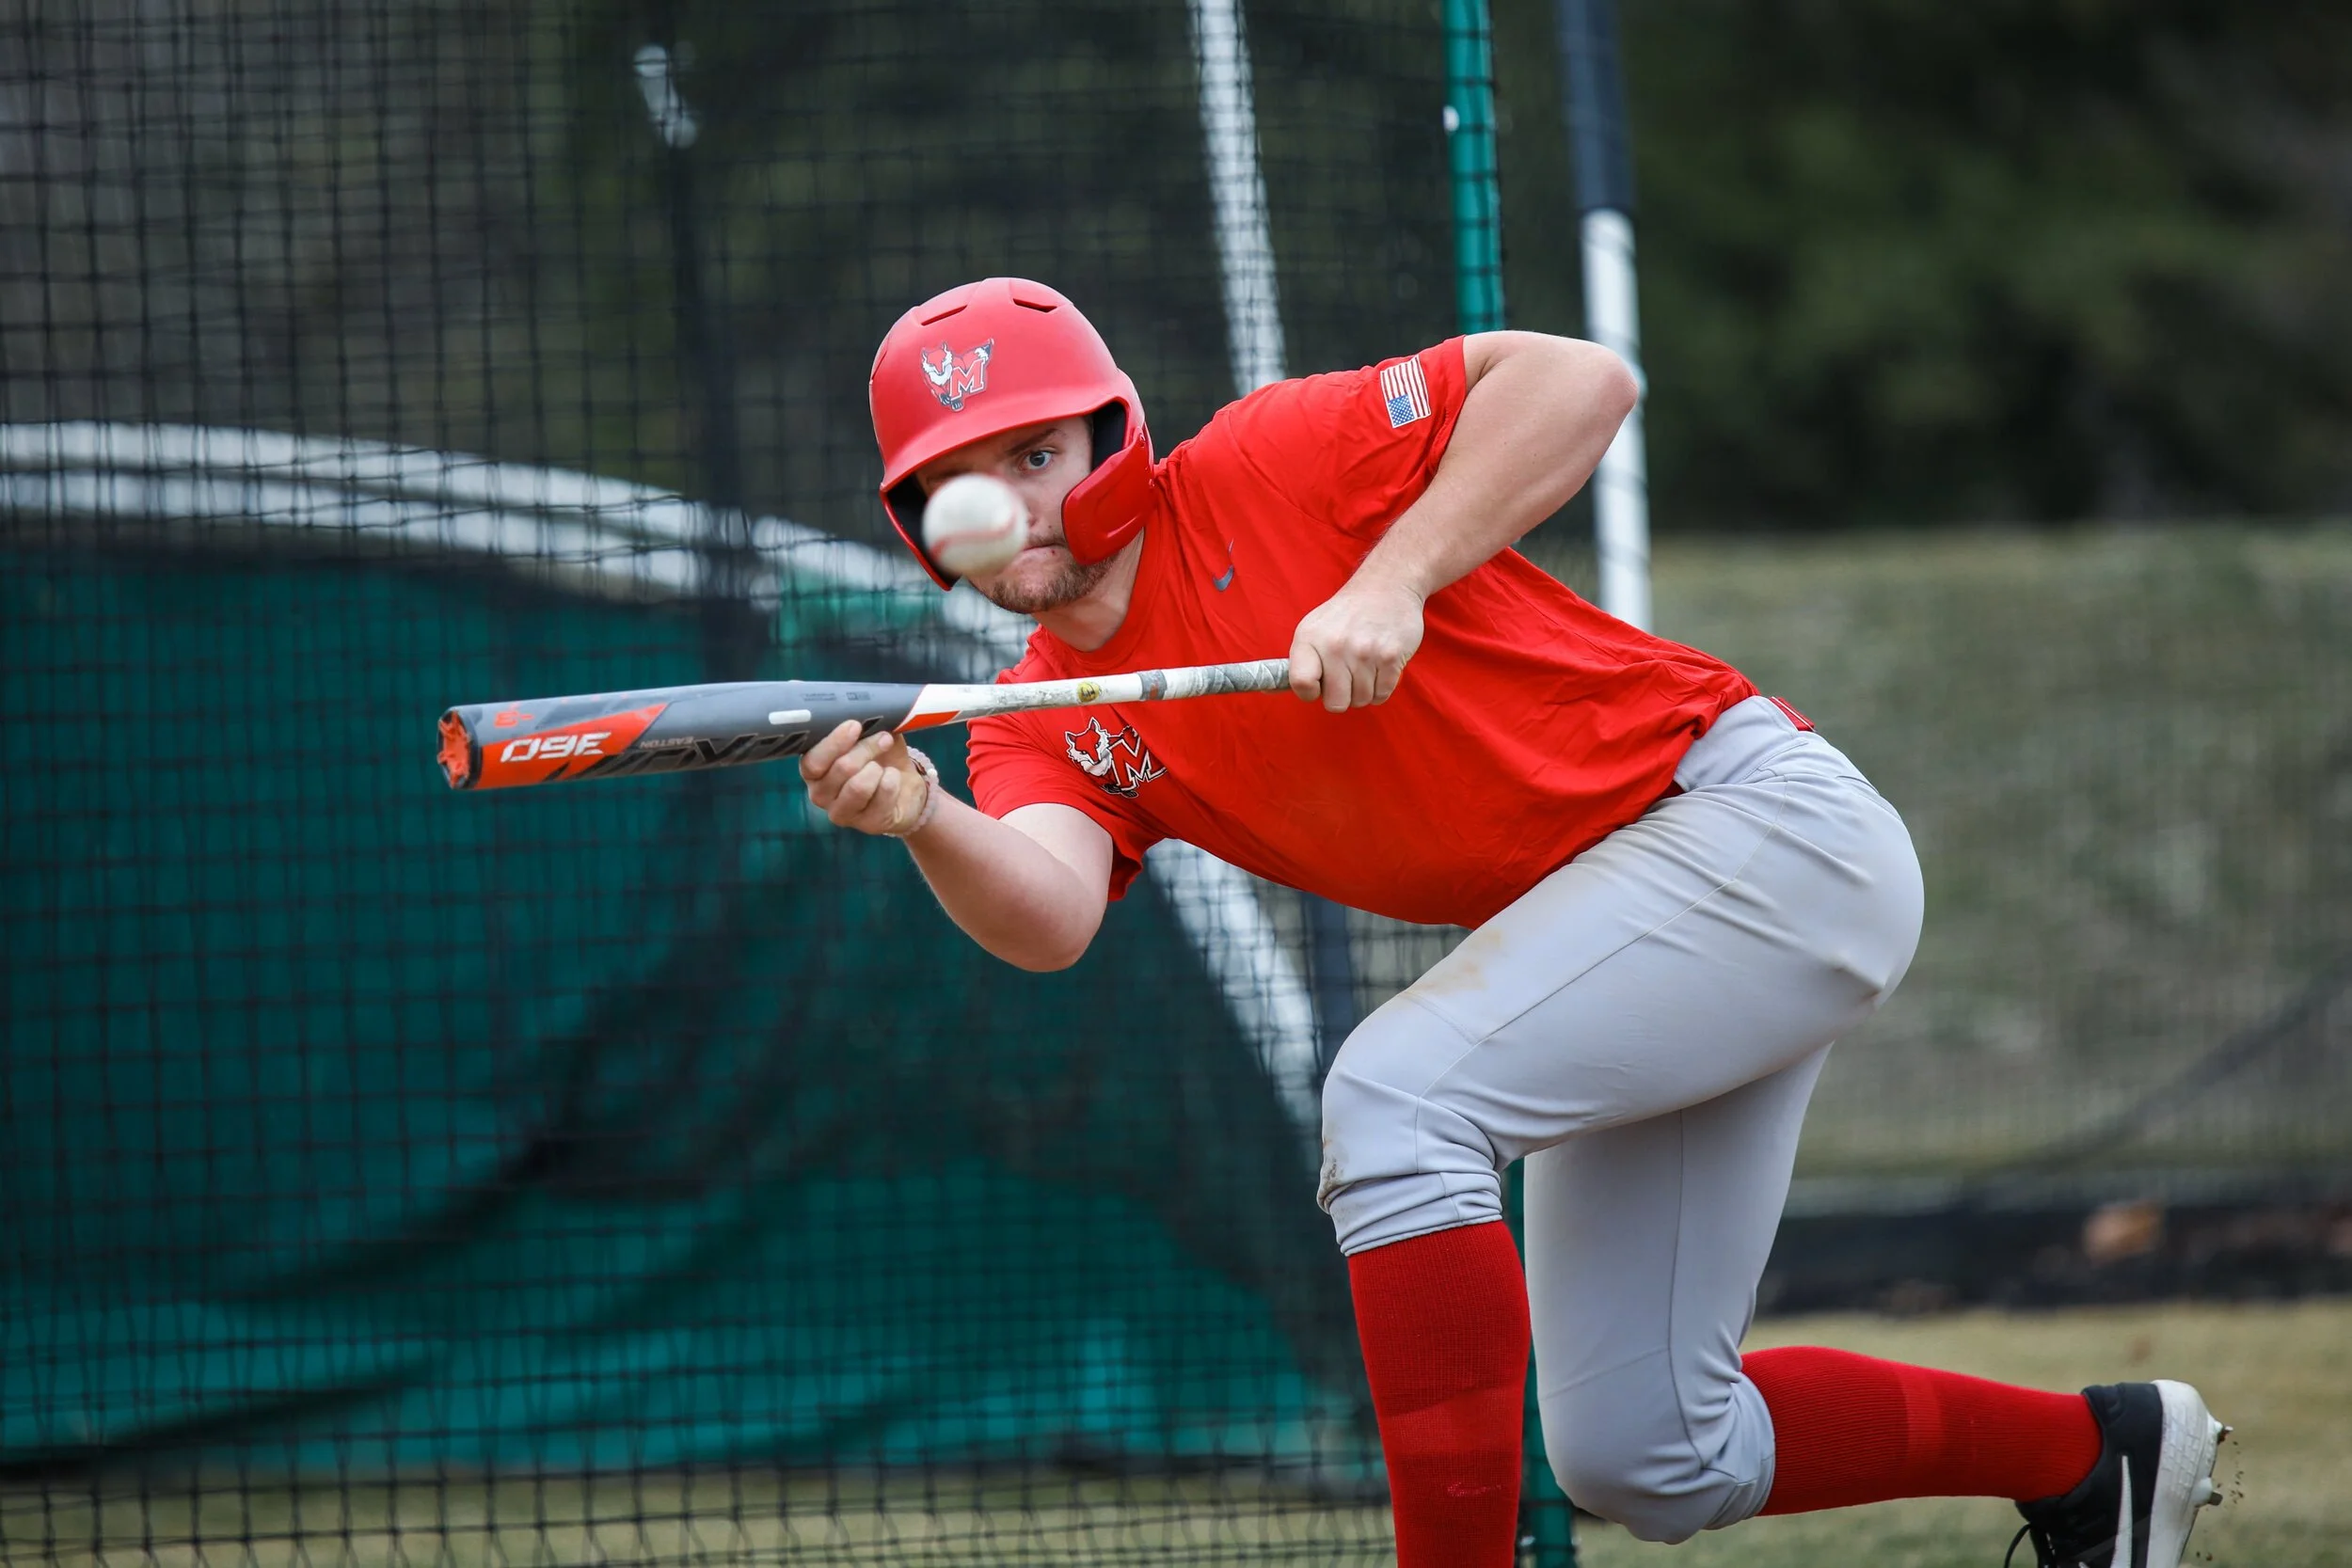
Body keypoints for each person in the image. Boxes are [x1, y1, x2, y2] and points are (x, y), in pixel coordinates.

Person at [799, 277, 2227, 1568]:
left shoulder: (1259, 460)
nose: (1012, 502)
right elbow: (1048, 915)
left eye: (1035, 453)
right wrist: (921, 814)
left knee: (1395, 1095)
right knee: (1650, 1453)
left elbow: (1581, 379)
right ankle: (2095, 1458)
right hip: (1627, 919)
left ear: (1114, 436)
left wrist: (1389, 579)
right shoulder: (1039, 714)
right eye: (960, 478)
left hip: (1761, 828)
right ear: (915, 522)